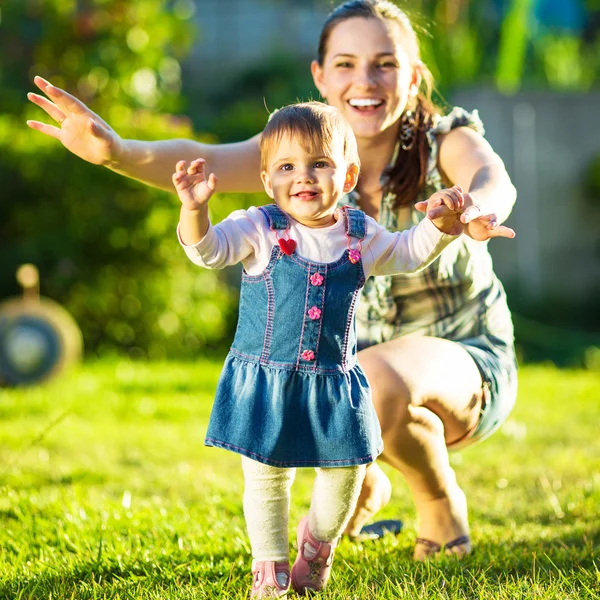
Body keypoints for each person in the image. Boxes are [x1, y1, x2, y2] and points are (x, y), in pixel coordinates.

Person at [27, 0, 519, 562]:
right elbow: (201, 160)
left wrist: (474, 209)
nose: (366, 80)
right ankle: (365, 479)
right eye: (346, 64)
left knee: (374, 376)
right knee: (351, 381)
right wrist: (116, 151)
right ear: (320, 75)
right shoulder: (303, 161)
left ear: (413, 74)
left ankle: (438, 501)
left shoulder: (444, 140)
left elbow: (490, 175)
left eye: (385, 63)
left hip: (462, 362)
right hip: (343, 375)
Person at [171, 101, 510, 597]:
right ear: (267, 180)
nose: (303, 177)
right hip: (266, 378)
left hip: (334, 380)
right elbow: (208, 251)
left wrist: (440, 225)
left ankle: (318, 543)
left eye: (319, 164)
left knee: (345, 471)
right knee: (267, 480)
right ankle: (270, 571)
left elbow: (406, 253)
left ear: (348, 173)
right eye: (286, 167)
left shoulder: (360, 234)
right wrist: (195, 210)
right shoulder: (259, 228)